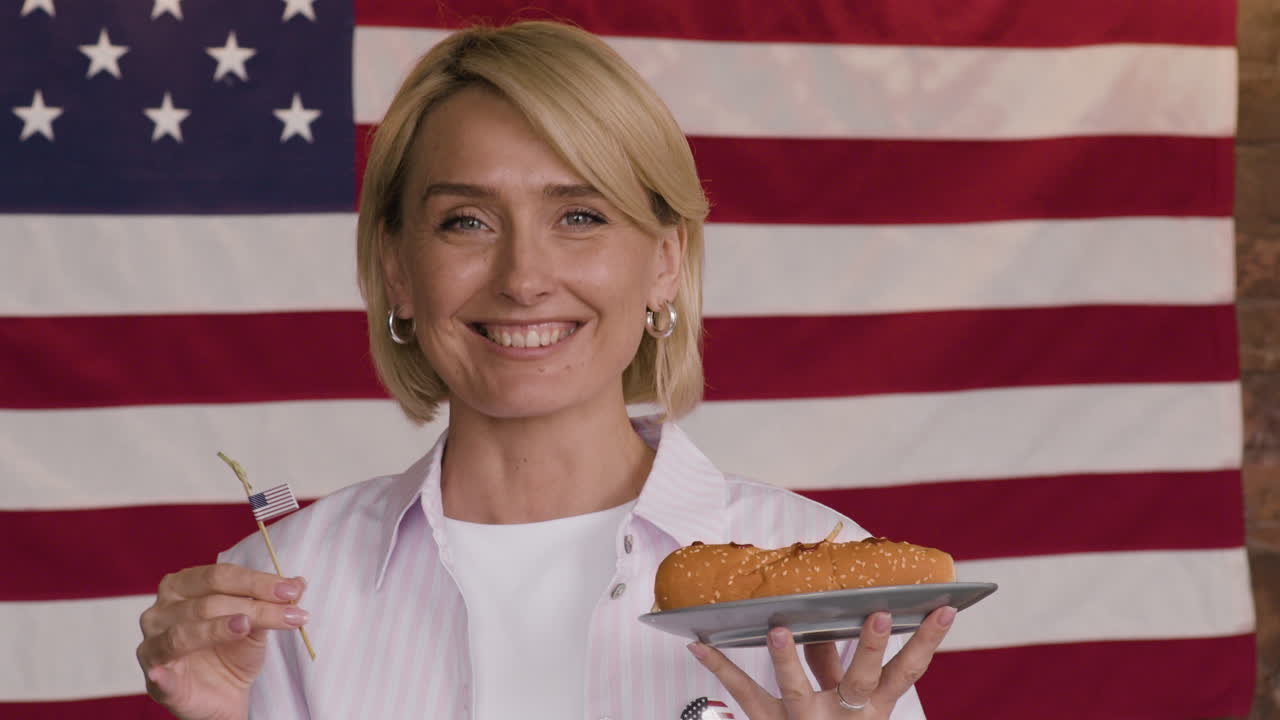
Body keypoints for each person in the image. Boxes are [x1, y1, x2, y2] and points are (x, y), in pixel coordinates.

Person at [134, 20, 955, 720]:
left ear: (664, 263)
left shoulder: (821, 569)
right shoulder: (274, 594)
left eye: (580, 216)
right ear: (396, 269)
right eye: (466, 222)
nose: (524, 278)